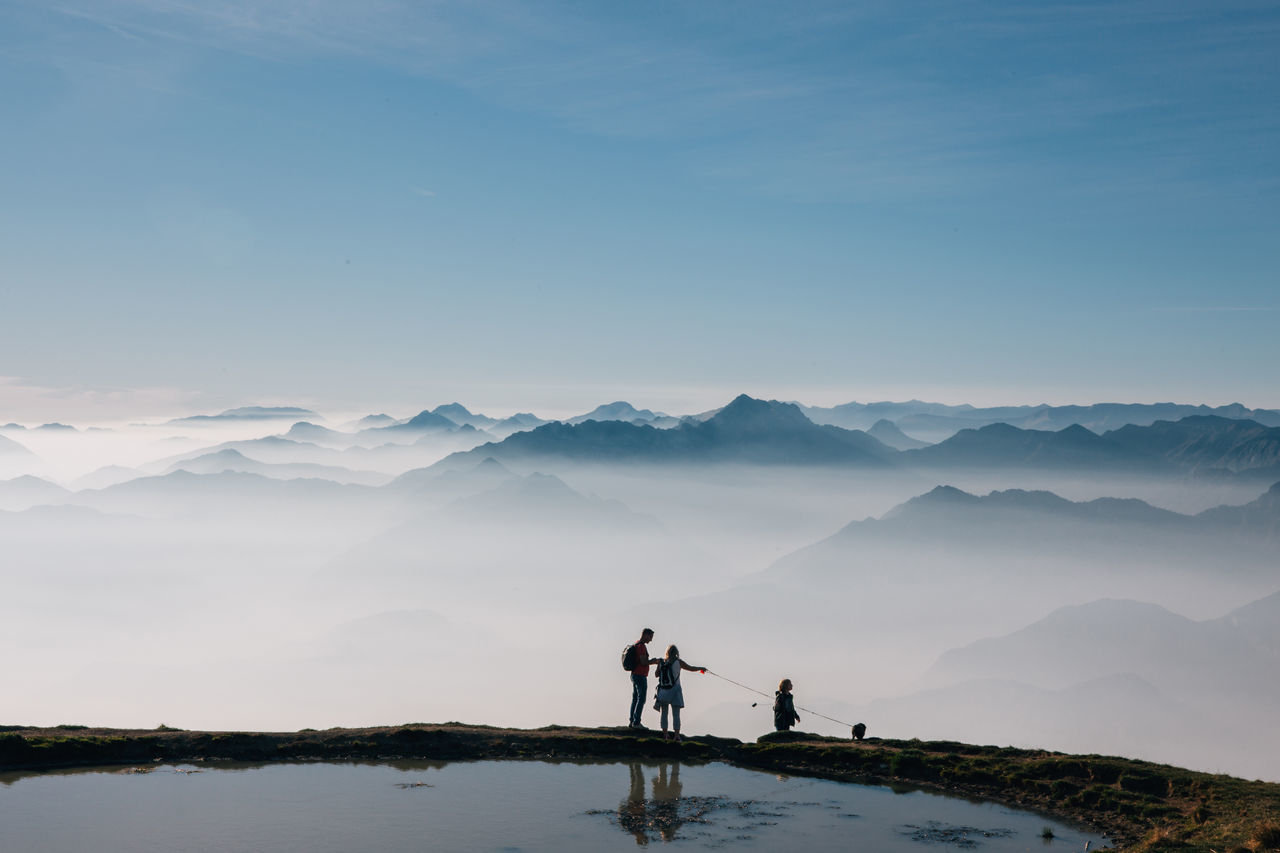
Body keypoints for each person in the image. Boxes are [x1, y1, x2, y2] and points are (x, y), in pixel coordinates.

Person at [653, 644, 705, 742]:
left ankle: (665, 735)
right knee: (676, 714)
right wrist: (701, 668)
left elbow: (656, 675)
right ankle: (676, 736)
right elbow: (691, 668)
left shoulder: (662, 662)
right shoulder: (679, 662)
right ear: (676, 653)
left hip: (663, 691)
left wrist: (659, 666)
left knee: (664, 713)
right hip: (675, 690)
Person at [628, 628, 660, 729]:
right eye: (650, 637)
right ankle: (636, 722)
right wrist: (654, 661)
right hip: (640, 675)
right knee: (641, 699)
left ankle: (632, 721)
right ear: (646, 635)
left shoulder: (636, 644)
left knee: (635, 698)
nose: (651, 640)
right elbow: (643, 662)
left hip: (635, 674)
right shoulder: (641, 646)